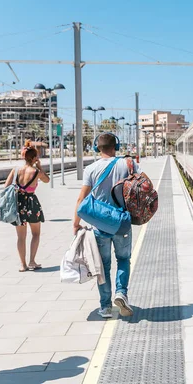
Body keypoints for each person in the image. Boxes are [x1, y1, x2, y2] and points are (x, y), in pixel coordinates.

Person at [73, 133, 141, 319]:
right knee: (123, 259)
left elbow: (82, 199)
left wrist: (75, 224)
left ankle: (105, 307)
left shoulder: (91, 169)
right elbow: (141, 187)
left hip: (100, 226)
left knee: (103, 265)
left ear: (97, 148)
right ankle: (121, 293)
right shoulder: (129, 164)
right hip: (122, 223)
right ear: (116, 146)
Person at [4, 140, 50, 272]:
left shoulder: (16, 170)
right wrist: (40, 167)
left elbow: (6, 186)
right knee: (36, 234)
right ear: (34, 158)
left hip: (18, 204)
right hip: (31, 203)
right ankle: (32, 261)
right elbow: (47, 180)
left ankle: (23, 265)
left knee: (20, 236)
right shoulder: (36, 172)